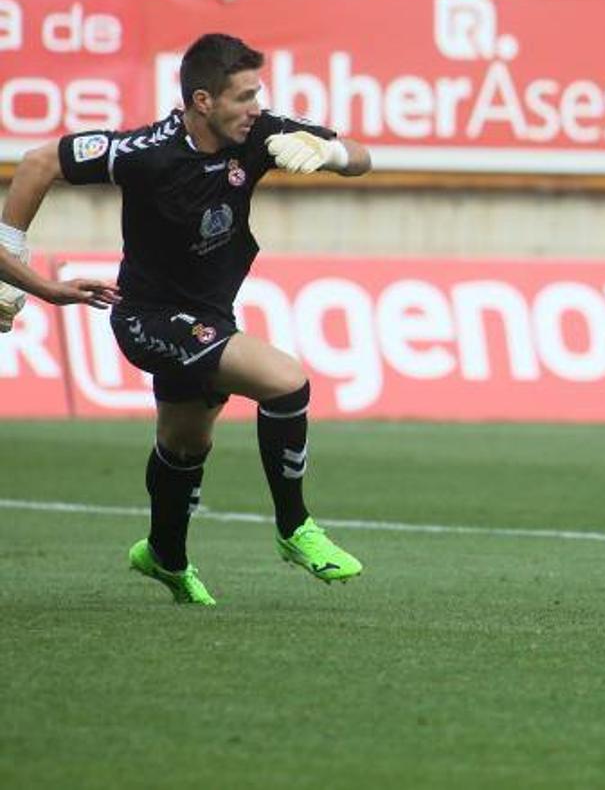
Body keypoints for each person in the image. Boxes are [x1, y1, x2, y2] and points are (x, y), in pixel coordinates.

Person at [0, 34, 372, 606]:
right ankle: (295, 528)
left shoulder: (262, 133)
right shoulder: (147, 152)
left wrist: (334, 154)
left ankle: (164, 556)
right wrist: (15, 260)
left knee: (184, 445)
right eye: (243, 97)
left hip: (207, 315)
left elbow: (363, 159)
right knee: (286, 381)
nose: (257, 107)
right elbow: (37, 162)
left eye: (258, 94)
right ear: (203, 101)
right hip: (148, 320)